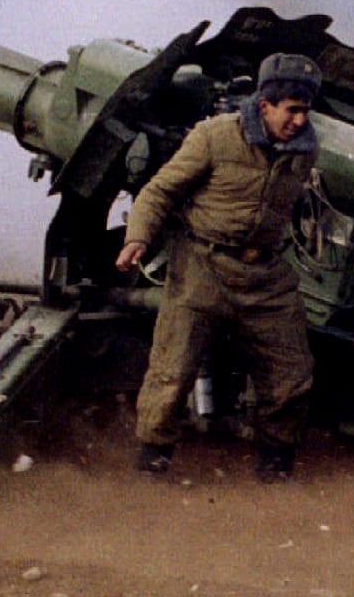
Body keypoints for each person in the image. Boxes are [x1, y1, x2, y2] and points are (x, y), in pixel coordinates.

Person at [115, 53, 323, 482]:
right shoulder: (214, 137)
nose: (300, 121)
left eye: (305, 111)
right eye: (292, 110)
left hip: (265, 274)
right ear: (265, 105)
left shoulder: (306, 148)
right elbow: (160, 191)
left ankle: (275, 466)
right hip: (203, 266)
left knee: (292, 375)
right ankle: (151, 464)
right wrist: (138, 237)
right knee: (172, 371)